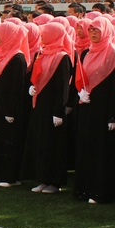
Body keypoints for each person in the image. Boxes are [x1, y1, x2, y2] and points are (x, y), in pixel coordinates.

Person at [73, 16, 115, 204]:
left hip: (103, 111)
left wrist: (114, 116)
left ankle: (99, 191)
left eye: (97, 30)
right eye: (91, 30)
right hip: (87, 108)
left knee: (101, 151)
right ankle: (83, 189)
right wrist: (80, 93)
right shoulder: (86, 52)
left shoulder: (114, 55)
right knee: (86, 148)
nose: (93, 33)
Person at [24, 23, 72, 194]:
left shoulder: (62, 57)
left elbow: (63, 87)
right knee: (41, 142)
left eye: (46, 33)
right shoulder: (42, 53)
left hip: (53, 107)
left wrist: (59, 111)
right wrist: (32, 86)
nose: (42, 36)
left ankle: (54, 181)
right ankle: (42, 179)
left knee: (53, 144)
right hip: (41, 105)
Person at [0, 21, 29, 188]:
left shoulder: (18, 57)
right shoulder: (2, 55)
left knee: (8, 140)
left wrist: (11, 110)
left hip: (9, 108)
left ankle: (9, 176)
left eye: (0, 35)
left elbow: (17, 86)